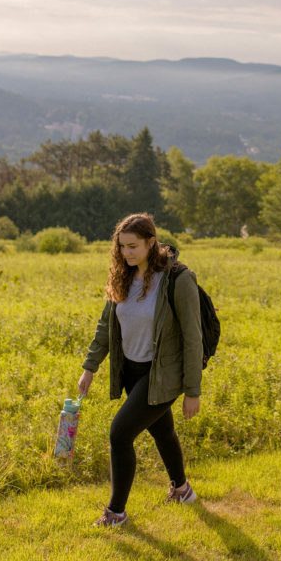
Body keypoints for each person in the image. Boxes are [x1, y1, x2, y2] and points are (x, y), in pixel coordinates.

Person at [78, 213, 203, 527]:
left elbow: (192, 337)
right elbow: (106, 326)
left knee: (119, 434)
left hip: (163, 374)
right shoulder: (123, 277)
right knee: (162, 431)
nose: (127, 253)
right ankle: (183, 490)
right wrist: (90, 368)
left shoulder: (177, 279)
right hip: (132, 371)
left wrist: (192, 391)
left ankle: (116, 513)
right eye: (122, 247)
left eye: (133, 246)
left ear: (151, 242)